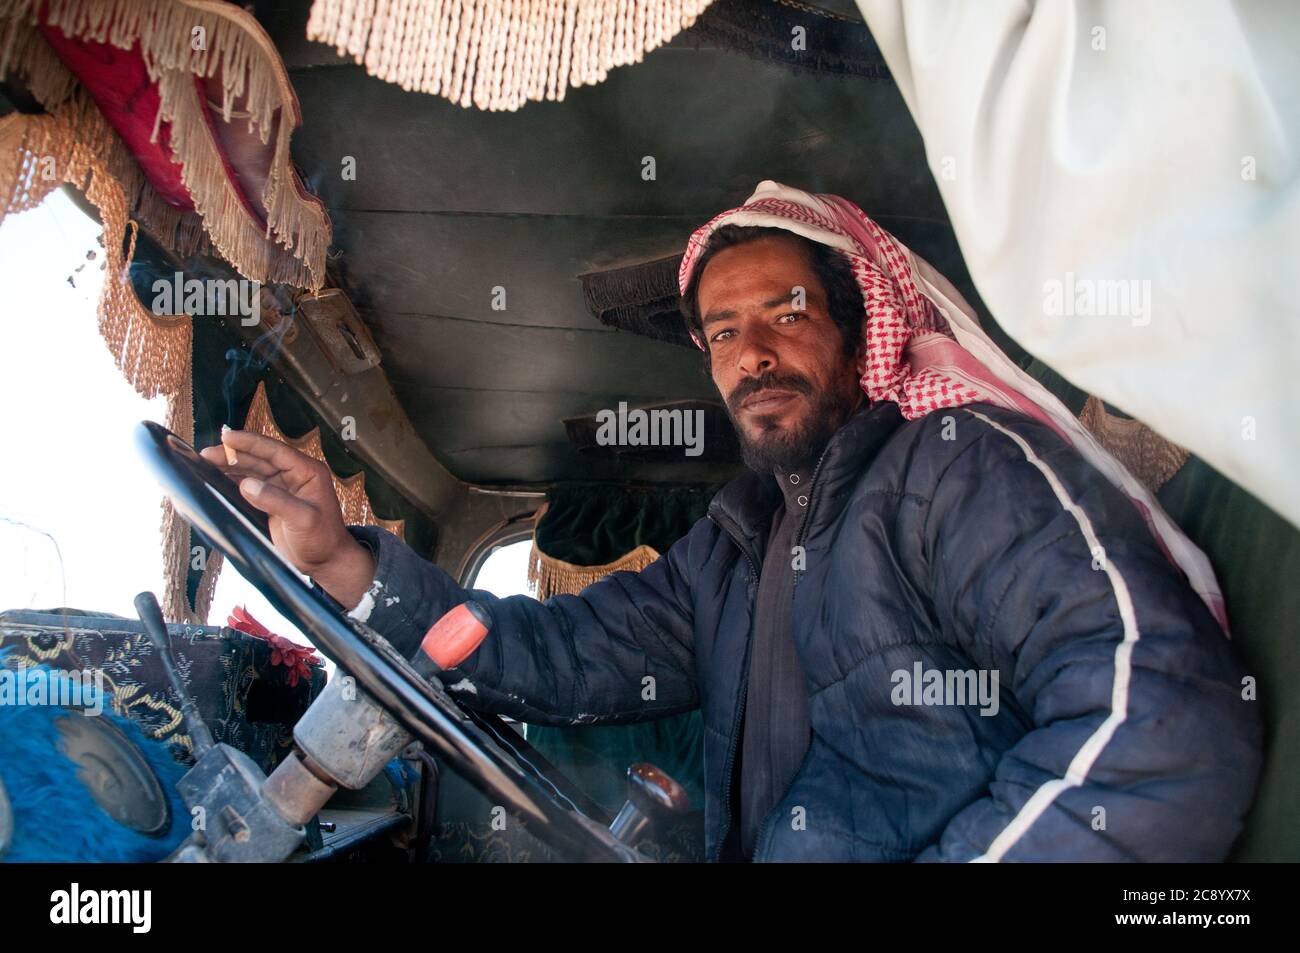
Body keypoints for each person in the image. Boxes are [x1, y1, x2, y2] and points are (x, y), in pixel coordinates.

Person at [203, 182, 1261, 862]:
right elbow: (560, 651)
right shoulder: (734, 540)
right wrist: (343, 559)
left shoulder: (959, 470)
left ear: (858, 331)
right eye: (721, 331)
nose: (751, 350)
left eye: (784, 314)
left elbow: (1158, 726)